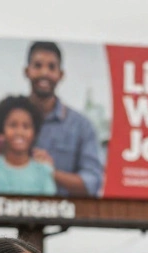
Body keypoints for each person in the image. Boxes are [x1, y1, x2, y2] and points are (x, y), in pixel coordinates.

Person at [24, 41, 104, 197]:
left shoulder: (81, 126)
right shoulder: (9, 121)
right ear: (27, 71)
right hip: (9, 217)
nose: (44, 73)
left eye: (51, 67)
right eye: (38, 66)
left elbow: (92, 182)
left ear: (61, 75)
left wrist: (51, 173)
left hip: (62, 219)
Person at [0, 96, 55, 196]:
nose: (19, 132)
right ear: (2, 131)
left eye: (26, 126)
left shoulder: (44, 171)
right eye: (13, 125)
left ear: (34, 133)